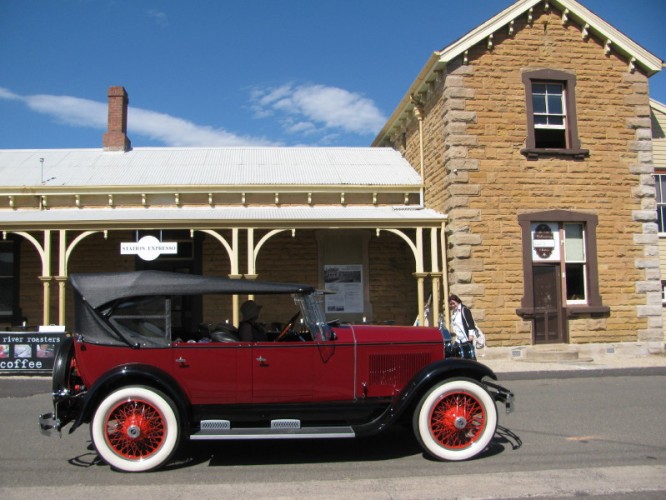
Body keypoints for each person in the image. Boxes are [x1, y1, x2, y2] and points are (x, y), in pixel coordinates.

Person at [448, 294, 477, 359]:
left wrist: (471, 335)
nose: (452, 305)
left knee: (469, 354)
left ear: (457, 301)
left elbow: (470, 323)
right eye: (451, 304)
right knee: (454, 352)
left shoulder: (464, 309)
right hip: (458, 338)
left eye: (453, 303)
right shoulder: (454, 312)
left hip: (466, 337)